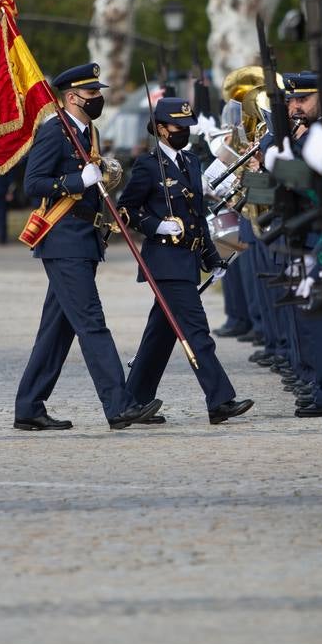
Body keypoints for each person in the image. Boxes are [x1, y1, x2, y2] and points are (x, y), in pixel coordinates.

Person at [14, 62, 162, 432]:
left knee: (57, 330)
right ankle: (119, 405)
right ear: (71, 97)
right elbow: (32, 184)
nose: (98, 98)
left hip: (82, 241)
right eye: (91, 93)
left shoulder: (85, 133)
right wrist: (74, 180)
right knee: (92, 323)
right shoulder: (54, 132)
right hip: (64, 242)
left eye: (99, 92)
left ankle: (29, 406)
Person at [118, 96, 253, 425]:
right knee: (197, 331)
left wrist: (212, 257)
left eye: (188, 127)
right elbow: (127, 209)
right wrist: (155, 225)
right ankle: (219, 400)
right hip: (164, 261)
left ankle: (133, 402)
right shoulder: (148, 166)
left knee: (159, 336)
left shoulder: (191, 162)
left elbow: (196, 215)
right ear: (161, 129)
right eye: (179, 127)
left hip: (188, 259)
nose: (185, 132)